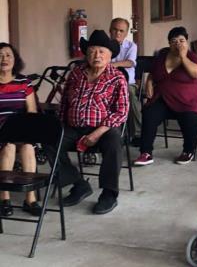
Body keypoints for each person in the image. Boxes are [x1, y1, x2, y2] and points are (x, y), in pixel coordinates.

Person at [46, 30, 129, 215]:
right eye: (92, 51)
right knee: (50, 139)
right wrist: (60, 126)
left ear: (110, 55)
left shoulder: (117, 77)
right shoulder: (76, 73)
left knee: (115, 141)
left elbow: (121, 111)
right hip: (74, 127)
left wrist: (96, 133)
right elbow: (65, 104)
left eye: (101, 51)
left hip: (103, 130)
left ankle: (109, 194)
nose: (96, 55)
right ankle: (78, 184)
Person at [133, 26, 197, 166]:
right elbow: (154, 72)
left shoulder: (192, 57)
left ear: (187, 42)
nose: (178, 43)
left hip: (187, 100)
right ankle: (146, 153)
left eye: (181, 40)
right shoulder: (162, 55)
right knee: (149, 113)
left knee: (190, 117)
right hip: (163, 98)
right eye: (174, 41)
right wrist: (149, 82)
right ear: (169, 43)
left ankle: (188, 150)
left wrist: (183, 57)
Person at [0, 42, 41, 217]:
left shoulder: (24, 82)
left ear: (15, 59)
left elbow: (31, 112)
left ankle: (30, 199)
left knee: (27, 147)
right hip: (1, 132)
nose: (4, 59)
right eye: (0, 55)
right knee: (8, 147)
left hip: (20, 129)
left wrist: (26, 130)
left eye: (8, 55)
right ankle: (4, 198)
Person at [109, 17, 141, 146]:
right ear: (110, 30)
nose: (118, 33)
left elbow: (130, 62)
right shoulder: (104, 45)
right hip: (107, 83)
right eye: (115, 30)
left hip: (127, 83)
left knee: (130, 95)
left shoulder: (131, 46)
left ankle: (137, 133)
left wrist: (113, 65)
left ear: (126, 33)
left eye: (121, 31)